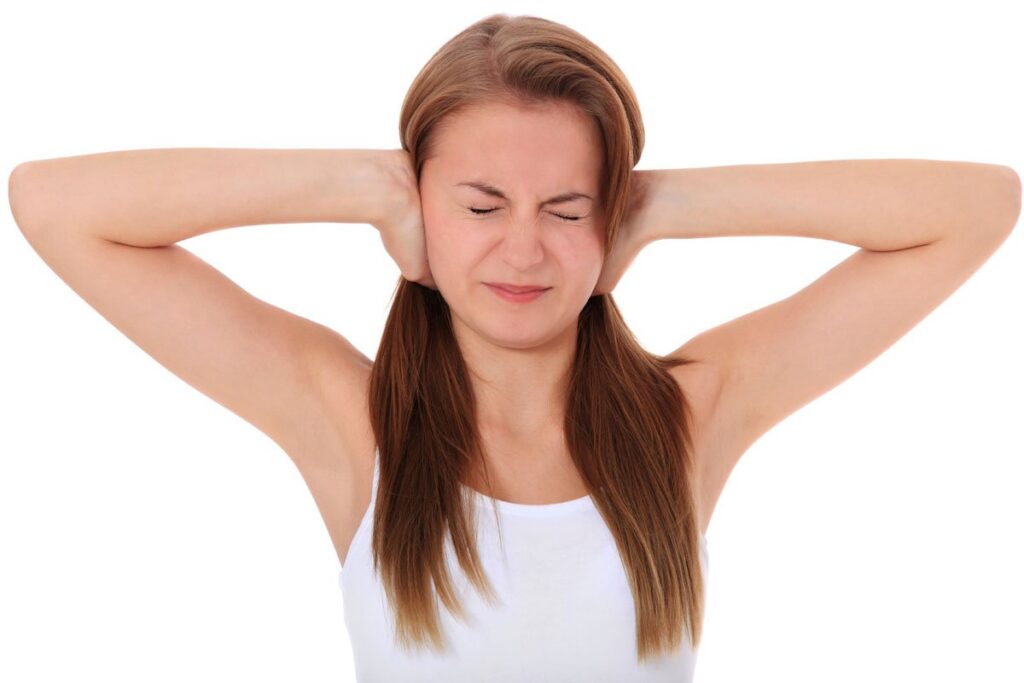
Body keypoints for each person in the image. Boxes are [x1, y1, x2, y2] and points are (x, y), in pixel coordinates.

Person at [9, 13, 1020, 683]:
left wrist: (662, 203)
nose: (525, 250)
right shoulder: (351, 423)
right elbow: (55, 205)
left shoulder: (692, 414)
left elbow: (977, 207)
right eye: (481, 205)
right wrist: (362, 185)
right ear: (421, 207)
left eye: (567, 208)